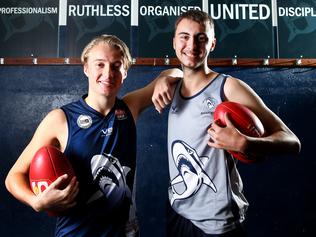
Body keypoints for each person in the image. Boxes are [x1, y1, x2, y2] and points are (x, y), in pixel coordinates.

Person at [5, 34, 181, 237]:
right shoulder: (61, 119)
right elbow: (13, 177)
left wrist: (164, 79)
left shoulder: (130, 107)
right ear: (86, 68)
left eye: (116, 66)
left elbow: (177, 72)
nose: (108, 73)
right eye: (100, 64)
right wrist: (36, 202)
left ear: (125, 72)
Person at [152, 9, 301, 237]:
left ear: (212, 44)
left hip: (218, 223)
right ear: (174, 42)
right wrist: (165, 76)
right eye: (184, 36)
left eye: (201, 38)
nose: (191, 45)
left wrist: (246, 143)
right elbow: (174, 73)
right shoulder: (170, 87)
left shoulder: (228, 87)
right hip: (178, 212)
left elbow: (292, 141)